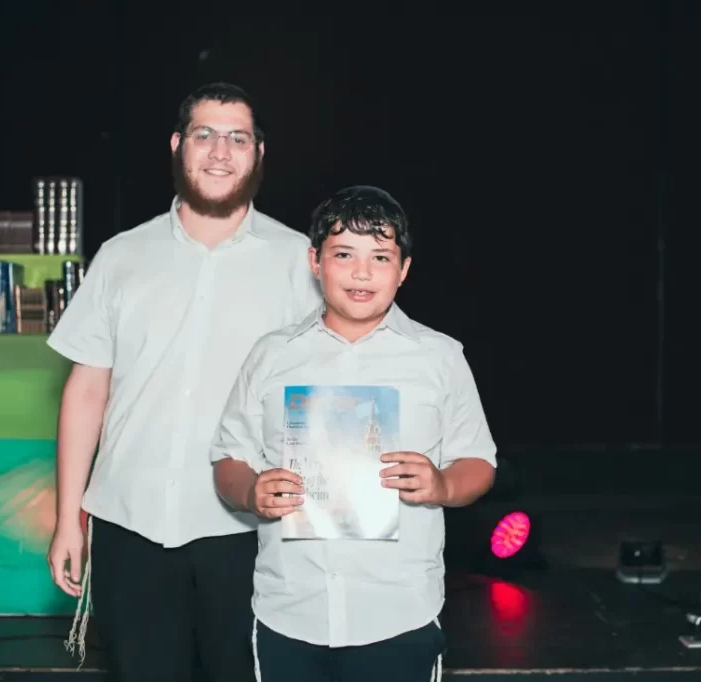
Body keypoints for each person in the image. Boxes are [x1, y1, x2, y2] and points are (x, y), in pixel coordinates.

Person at [45, 82, 321, 682]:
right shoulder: (121, 256)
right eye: (205, 134)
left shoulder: (302, 262)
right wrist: (69, 518)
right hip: (130, 522)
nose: (220, 151)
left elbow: (328, 394)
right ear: (177, 145)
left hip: (249, 530)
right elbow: (86, 391)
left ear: (258, 153)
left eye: (237, 138)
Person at [210, 185, 498, 682]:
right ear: (314, 261)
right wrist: (251, 490)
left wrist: (443, 484)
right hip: (289, 610)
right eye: (343, 254)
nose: (362, 273)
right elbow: (228, 460)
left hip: (398, 614)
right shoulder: (272, 355)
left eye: (380, 257)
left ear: (403, 269)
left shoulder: (440, 357)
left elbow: (478, 462)